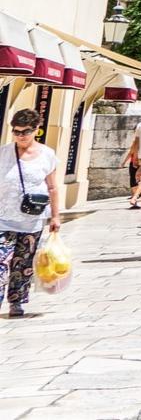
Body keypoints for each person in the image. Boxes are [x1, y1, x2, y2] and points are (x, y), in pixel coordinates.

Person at [0, 110, 60, 316]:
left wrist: (55, 216)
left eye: (25, 132)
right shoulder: (3, 153)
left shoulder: (47, 155)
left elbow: (52, 187)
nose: (20, 136)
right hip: (3, 217)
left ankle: (16, 302)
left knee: (22, 263)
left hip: (31, 220)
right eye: (16, 132)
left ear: (36, 130)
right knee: (0, 261)